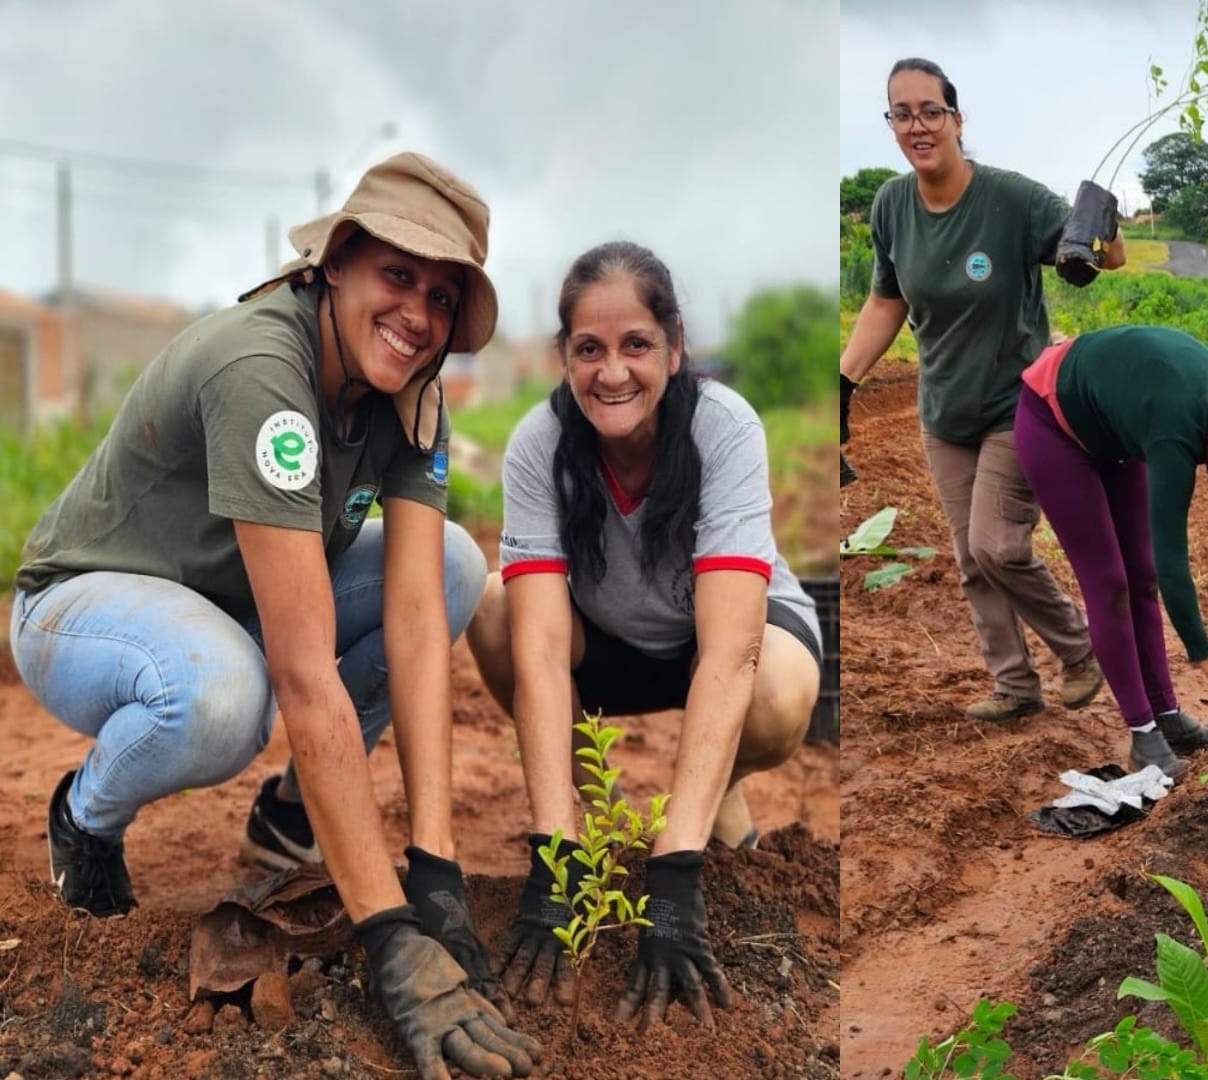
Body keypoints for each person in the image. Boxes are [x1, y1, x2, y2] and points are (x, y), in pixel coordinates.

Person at [9, 152, 539, 1078]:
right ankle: (86, 816)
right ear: (335, 264)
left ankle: (293, 815)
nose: (419, 315)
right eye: (398, 276)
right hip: (83, 609)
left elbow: (415, 620)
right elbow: (303, 672)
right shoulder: (263, 368)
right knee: (225, 697)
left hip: (235, 604)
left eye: (444, 297)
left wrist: (437, 873)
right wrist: (389, 932)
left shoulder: (412, 394)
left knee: (456, 566)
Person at [463, 242, 822, 1032]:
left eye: (635, 345)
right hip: (611, 644)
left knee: (774, 696)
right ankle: (583, 829)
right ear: (564, 357)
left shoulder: (723, 430)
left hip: (717, 643)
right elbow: (544, 653)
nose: (613, 372)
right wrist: (554, 855)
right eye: (589, 349)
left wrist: (674, 874)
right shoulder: (540, 445)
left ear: (675, 348)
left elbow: (729, 652)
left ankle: (711, 792)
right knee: (493, 608)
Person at [838, 56, 1124, 723]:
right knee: (971, 558)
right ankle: (1015, 684)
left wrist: (1101, 237)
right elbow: (887, 301)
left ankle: (1080, 652)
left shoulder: (1012, 200)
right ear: (891, 123)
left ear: (957, 119)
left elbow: (1101, 256)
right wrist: (842, 379)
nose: (917, 124)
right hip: (944, 412)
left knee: (999, 545)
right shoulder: (891, 204)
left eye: (930, 110)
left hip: (1016, 404)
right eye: (901, 112)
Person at [1015, 326, 1208, 779]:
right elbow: (1174, 560)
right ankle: (1144, 735)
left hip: (1116, 429)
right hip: (1054, 422)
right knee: (1110, 583)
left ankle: (1166, 716)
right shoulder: (1178, 428)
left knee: (1141, 574)